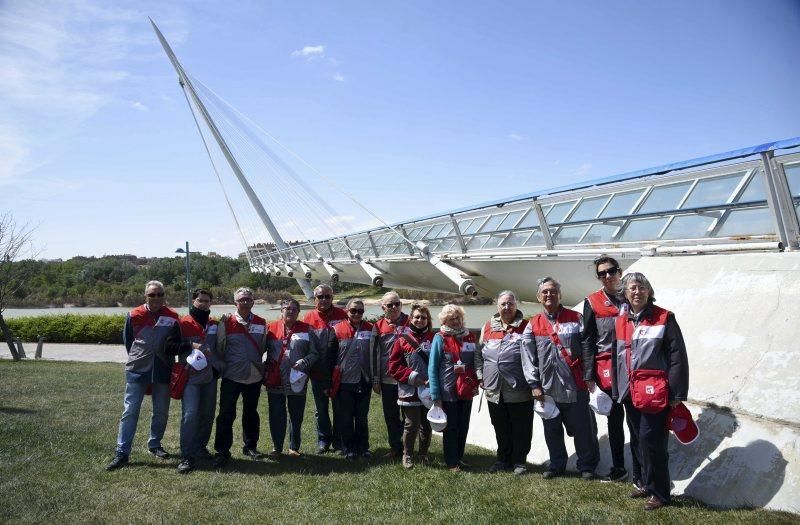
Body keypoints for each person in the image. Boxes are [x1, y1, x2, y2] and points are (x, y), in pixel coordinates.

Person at [614, 272, 689, 511]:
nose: (637, 292)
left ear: (649, 291)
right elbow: (619, 358)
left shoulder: (664, 318)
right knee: (638, 439)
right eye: (632, 288)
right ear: (625, 293)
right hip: (630, 392)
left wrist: (677, 394)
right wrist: (618, 390)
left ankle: (661, 493)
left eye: (642, 288)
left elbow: (678, 359)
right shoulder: (622, 320)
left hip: (655, 393)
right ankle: (647, 484)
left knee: (652, 441)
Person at [523, 277, 600, 480]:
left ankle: (587, 466)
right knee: (552, 429)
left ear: (560, 295)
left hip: (575, 385)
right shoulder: (533, 324)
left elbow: (588, 348)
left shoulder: (576, 318)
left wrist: (590, 375)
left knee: (583, 428)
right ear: (539, 297)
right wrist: (534, 384)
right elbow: (528, 357)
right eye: (545, 292)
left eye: (553, 291)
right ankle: (557, 465)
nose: (549, 295)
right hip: (547, 389)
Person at [107, 280, 182, 470]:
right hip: (137, 369)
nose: (156, 298)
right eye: (152, 294)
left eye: (160, 294)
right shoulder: (133, 315)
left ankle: (155, 444)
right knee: (130, 411)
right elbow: (129, 342)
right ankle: (122, 451)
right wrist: (139, 357)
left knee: (161, 411)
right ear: (145, 296)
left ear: (164, 296)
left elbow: (175, 342)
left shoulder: (173, 317)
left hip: (163, 369)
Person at [581, 256, 639, 484]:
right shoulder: (592, 301)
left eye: (611, 271)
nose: (607, 276)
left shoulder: (634, 296)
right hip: (606, 371)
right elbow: (586, 340)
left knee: (636, 422)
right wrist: (588, 375)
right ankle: (618, 468)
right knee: (614, 421)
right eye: (602, 273)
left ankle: (642, 471)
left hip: (635, 369)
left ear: (620, 271)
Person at [475, 290, 534, 476]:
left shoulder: (526, 327)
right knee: (500, 426)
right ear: (497, 305)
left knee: (521, 427)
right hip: (494, 389)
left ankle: (519, 461)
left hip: (519, 389)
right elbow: (478, 354)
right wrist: (480, 374)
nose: (507, 307)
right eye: (503, 304)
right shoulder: (487, 327)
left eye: (510, 303)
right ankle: (502, 459)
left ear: (516, 305)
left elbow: (534, 355)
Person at [213, 287, 268, 468]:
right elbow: (220, 347)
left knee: (251, 413)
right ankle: (222, 451)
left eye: (248, 299)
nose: (245, 302)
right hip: (232, 375)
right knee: (226, 414)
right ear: (235, 303)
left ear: (253, 302)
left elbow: (263, 346)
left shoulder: (261, 322)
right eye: (241, 299)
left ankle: (250, 447)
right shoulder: (226, 321)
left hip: (253, 375)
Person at [175, 288, 221, 474]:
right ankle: (187, 455)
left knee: (207, 413)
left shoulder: (215, 324)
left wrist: (218, 369)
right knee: (190, 415)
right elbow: (170, 346)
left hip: (209, 377)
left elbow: (221, 346)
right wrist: (191, 344)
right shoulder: (182, 323)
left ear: (211, 303)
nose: (203, 303)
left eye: (207, 300)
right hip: (190, 378)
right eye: (200, 300)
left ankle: (200, 448)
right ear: (193, 301)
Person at [266, 298, 318, 457]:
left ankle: (294, 447)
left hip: (297, 379)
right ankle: (277, 447)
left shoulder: (307, 329)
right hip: (276, 379)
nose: (290, 311)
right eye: (287, 308)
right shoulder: (270, 328)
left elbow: (315, 353)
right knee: (276, 414)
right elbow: (262, 350)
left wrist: (304, 362)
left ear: (298, 312)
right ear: (281, 310)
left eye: (294, 309)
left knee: (296, 414)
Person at [428, 304, 477, 472]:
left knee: (464, 426)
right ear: (445, 321)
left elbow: (473, 362)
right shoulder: (439, 338)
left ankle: (459, 458)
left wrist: (476, 383)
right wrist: (436, 395)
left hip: (466, 389)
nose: (456, 321)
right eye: (451, 319)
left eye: (458, 317)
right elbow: (432, 368)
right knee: (451, 427)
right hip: (447, 391)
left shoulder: (469, 337)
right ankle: (451, 461)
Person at [387, 303, 434, 469]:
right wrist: (414, 377)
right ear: (411, 319)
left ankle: (423, 454)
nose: (420, 320)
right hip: (410, 389)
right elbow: (393, 367)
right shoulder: (402, 340)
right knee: (411, 424)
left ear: (428, 320)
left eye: (423, 317)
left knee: (427, 424)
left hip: (430, 389)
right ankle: (407, 455)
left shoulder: (435, 339)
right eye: (417, 317)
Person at [303, 284, 347, 454]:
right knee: (321, 409)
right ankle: (323, 440)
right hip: (318, 372)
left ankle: (338, 441)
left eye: (327, 296)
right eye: (320, 297)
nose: (324, 300)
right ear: (315, 299)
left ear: (332, 298)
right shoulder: (309, 317)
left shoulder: (342, 315)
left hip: (338, 372)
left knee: (339, 408)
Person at [331, 298, 374, 460]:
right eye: (353, 311)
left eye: (360, 311)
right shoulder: (336, 329)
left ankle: (363, 447)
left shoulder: (370, 329)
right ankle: (349, 447)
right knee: (346, 417)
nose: (357, 314)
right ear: (346, 311)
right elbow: (330, 357)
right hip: (344, 381)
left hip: (364, 379)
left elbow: (375, 354)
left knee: (362, 417)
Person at [372, 290, 408, 459]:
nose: (394, 307)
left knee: (410, 416)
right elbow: (374, 354)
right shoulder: (378, 326)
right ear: (382, 307)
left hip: (408, 378)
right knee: (391, 416)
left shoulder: (411, 321)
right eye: (390, 305)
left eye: (397, 304)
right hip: (387, 379)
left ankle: (408, 449)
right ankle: (396, 448)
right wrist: (376, 379)